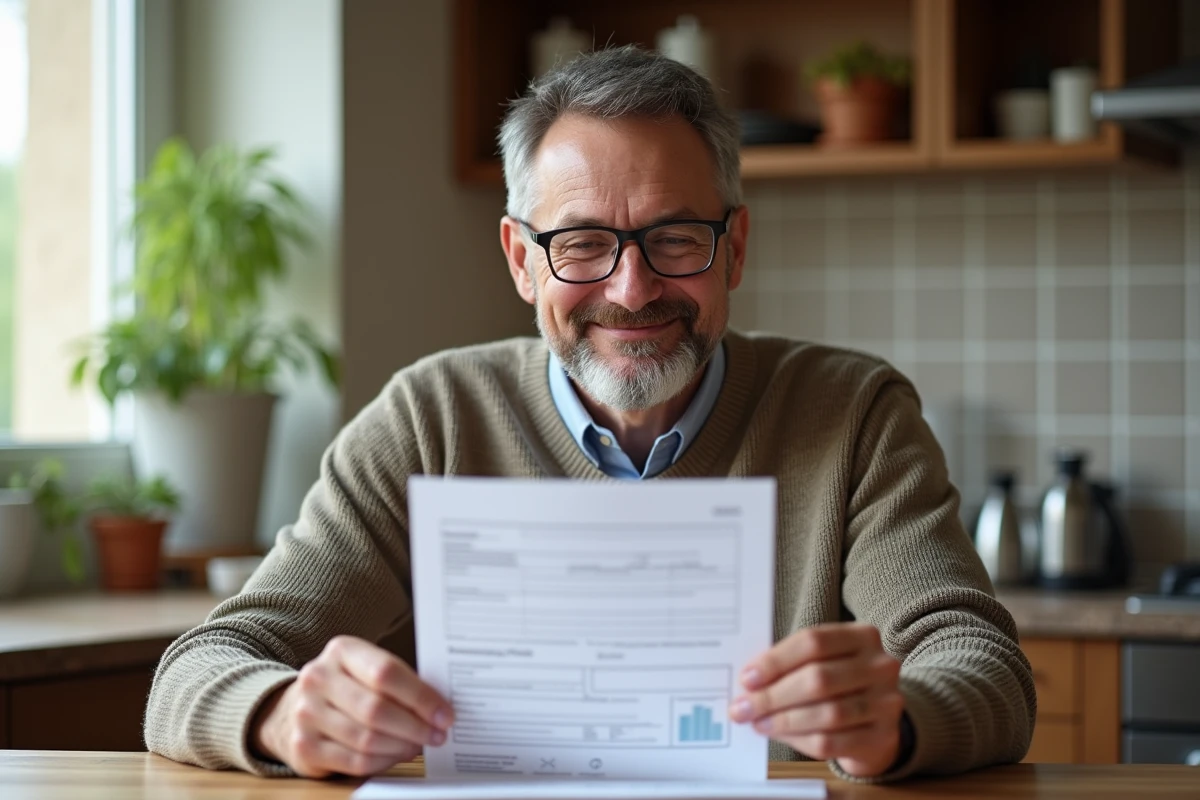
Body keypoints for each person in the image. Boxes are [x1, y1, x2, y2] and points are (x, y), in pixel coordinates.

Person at [145, 45, 1035, 784]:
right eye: (581, 244)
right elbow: (195, 670)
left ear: (735, 248)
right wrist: (282, 714)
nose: (632, 288)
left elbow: (982, 664)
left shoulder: (854, 414)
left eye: (675, 237)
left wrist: (897, 721)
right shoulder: (429, 419)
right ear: (521, 261)